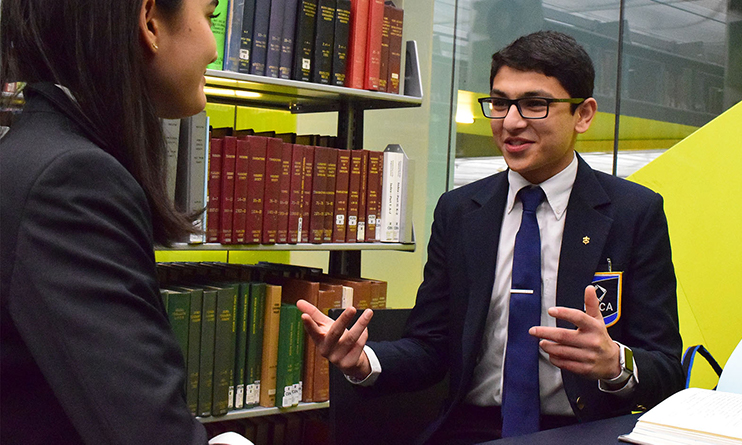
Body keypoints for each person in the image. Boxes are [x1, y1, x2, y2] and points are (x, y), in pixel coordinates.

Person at [297, 30, 684, 444]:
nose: (511, 122)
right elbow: (430, 346)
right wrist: (364, 361)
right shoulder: (460, 211)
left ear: (583, 115)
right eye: (500, 103)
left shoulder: (632, 213)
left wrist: (615, 364)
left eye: (535, 104)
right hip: (473, 429)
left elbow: (666, 368)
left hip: (583, 430)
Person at [1, 1, 248, 444]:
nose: (213, 49)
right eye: (210, 17)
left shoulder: (36, 154)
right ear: (150, 21)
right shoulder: (73, 182)